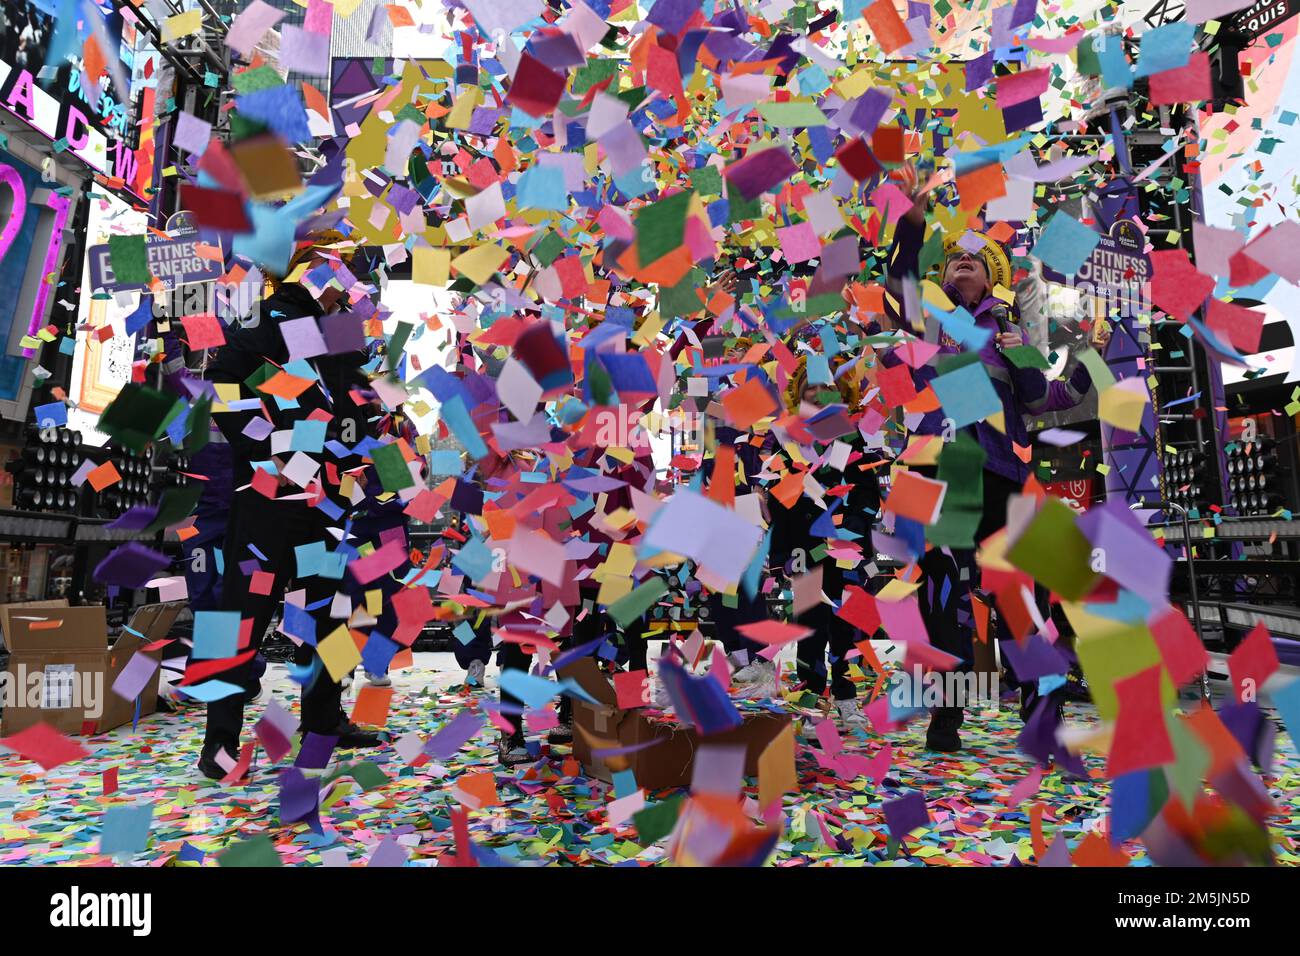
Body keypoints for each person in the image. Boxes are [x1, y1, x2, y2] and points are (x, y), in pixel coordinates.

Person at [881, 163, 1108, 752]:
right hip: (939, 471)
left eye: (975, 259)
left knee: (1021, 594)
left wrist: (1086, 358)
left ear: (990, 277)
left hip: (1005, 476)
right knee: (942, 596)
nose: (962, 262)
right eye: (954, 256)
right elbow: (899, 281)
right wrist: (910, 217)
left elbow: (1049, 400)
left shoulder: (1011, 335)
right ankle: (946, 720)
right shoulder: (927, 322)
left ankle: (1042, 723)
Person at [197, 233, 383, 780]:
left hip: (326, 504)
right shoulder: (266, 317)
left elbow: (359, 404)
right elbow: (223, 386)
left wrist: (362, 467)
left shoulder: (344, 329)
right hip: (267, 497)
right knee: (239, 619)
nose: (347, 283)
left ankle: (325, 723)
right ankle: (218, 742)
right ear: (313, 271)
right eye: (339, 270)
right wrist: (267, 452)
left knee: (330, 615)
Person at [767, 352, 882, 726]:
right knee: (809, 624)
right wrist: (781, 551)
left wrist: (854, 525)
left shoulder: (853, 438)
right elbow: (777, 500)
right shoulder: (787, 441)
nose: (817, 393)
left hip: (846, 545)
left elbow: (868, 489)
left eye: (825, 387)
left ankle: (846, 694)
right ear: (798, 395)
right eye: (809, 387)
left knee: (843, 625)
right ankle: (811, 699)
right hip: (804, 547)